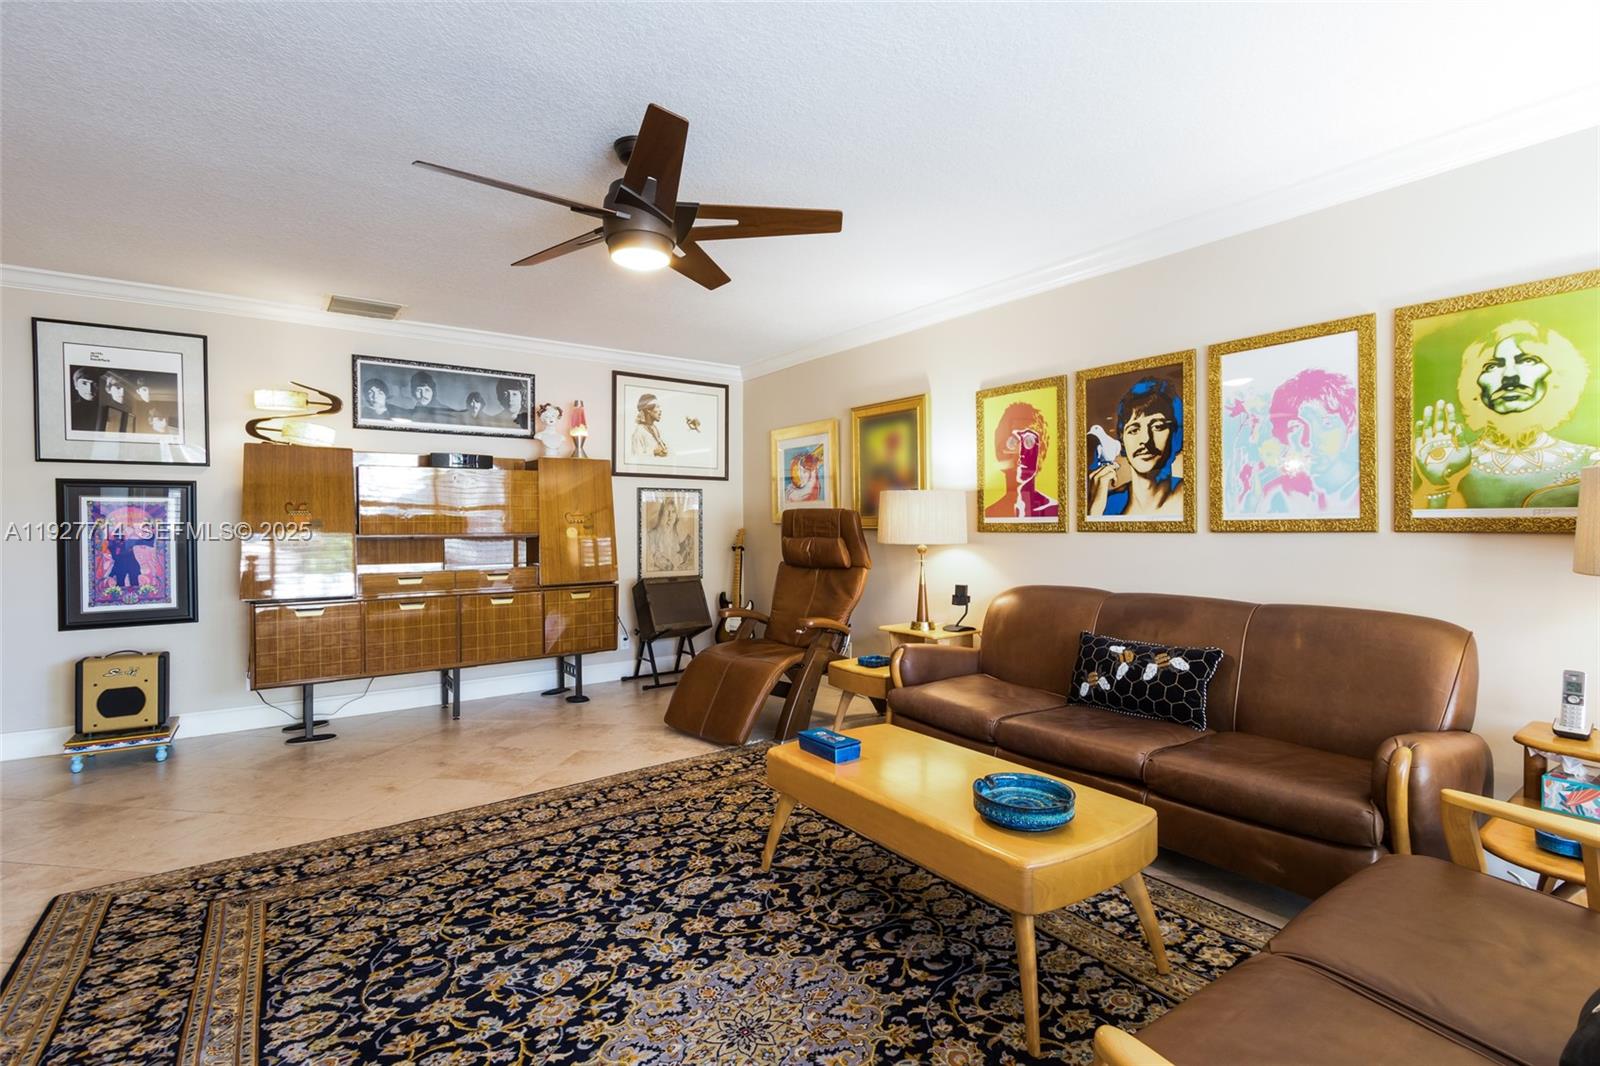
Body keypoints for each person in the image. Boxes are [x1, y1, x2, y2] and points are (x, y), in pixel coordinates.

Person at [1413, 321, 1597, 511]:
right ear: (1475, 383)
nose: (1510, 376)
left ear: (1558, 375)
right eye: (1492, 366)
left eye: (1527, 361)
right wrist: (1438, 483)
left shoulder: (1591, 461)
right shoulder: (1453, 462)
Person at [1253, 368, 1360, 515]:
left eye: (1327, 424)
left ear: (1349, 426)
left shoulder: (1367, 489)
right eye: (1296, 427)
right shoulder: (1276, 495)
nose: (1308, 441)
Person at [1088, 376, 1184, 518]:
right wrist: (1093, 514)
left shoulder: (1193, 497)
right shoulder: (1106, 503)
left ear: (1176, 435)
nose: (1145, 440)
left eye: (1158, 427)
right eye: (1133, 430)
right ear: (1122, 441)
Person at [983, 402, 1058, 519]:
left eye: (1029, 442)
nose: (1021, 453)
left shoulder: (1056, 511)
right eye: (1012, 442)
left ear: (1041, 450)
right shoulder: (989, 514)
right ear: (1000, 451)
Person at [645, 497, 692, 574]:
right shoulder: (651, 535)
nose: (670, 516)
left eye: (673, 512)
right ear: (661, 515)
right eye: (667, 512)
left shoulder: (677, 535)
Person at [630, 393, 668, 459]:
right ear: (648, 410)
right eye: (657, 407)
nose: (660, 410)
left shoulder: (656, 430)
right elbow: (636, 459)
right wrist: (654, 452)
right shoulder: (639, 433)